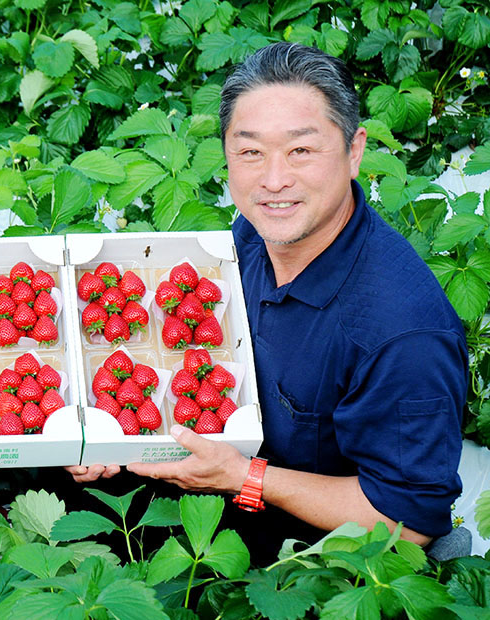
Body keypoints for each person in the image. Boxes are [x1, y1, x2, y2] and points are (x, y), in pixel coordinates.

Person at [79, 42, 468, 565]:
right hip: (210, 482)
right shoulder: (254, 234)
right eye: (250, 151)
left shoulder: (401, 331)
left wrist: (243, 477)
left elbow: (409, 520)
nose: (273, 180)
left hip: (298, 555)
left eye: (301, 150)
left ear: (355, 152)